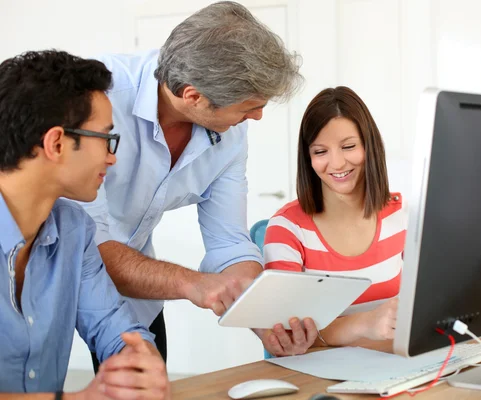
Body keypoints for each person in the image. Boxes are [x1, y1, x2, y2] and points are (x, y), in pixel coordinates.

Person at [80, 1, 305, 367]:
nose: (257, 117)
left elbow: (229, 241)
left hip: (132, 291)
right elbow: (90, 248)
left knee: (145, 383)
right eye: (249, 106)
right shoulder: (97, 101)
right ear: (193, 96)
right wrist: (194, 284)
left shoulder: (229, 132)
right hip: (56, 273)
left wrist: (265, 318)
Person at [0, 50, 169, 398]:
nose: (113, 155)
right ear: (57, 143)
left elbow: (114, 326)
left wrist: (141, 365)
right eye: (106, 137)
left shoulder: (74, 230)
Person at [263, 86, 408, 347]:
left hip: (395, 363)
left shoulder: (400, 213)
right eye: (320, 152)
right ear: (308, 158)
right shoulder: (286, 229)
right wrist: (364, 323)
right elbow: (288, 338)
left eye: (349, 146)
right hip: (322, 377)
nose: (338, 163)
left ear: (369, 145)